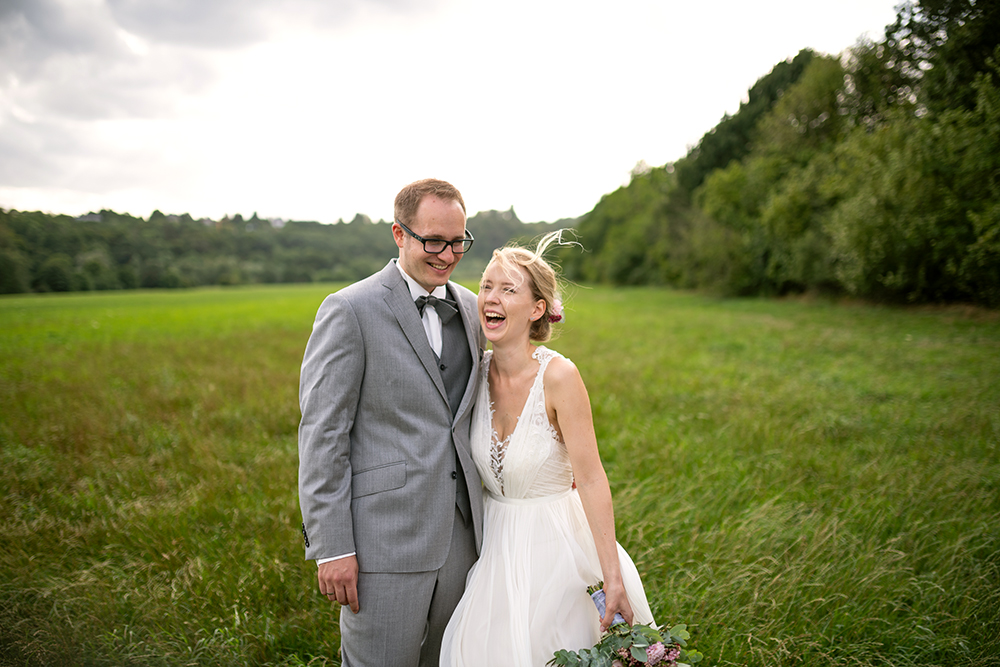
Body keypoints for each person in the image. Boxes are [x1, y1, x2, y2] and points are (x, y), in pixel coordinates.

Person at [440, 232, 655, 666]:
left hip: (559, 550)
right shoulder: (472, 373)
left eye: (508, 289)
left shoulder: (559, 377)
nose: (490, 298)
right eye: (485, 286)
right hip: (495, 551)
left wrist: (612, 576)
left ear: (537, 308)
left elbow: (591, 478)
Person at [298, 178, 486, 667]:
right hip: (382, 543)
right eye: (433, 241)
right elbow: (323, 436)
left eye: (458, 241)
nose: (447, 255)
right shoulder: (349, 310)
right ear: (399, 235)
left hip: (465, 541)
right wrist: (332, 547)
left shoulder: (471, 308)